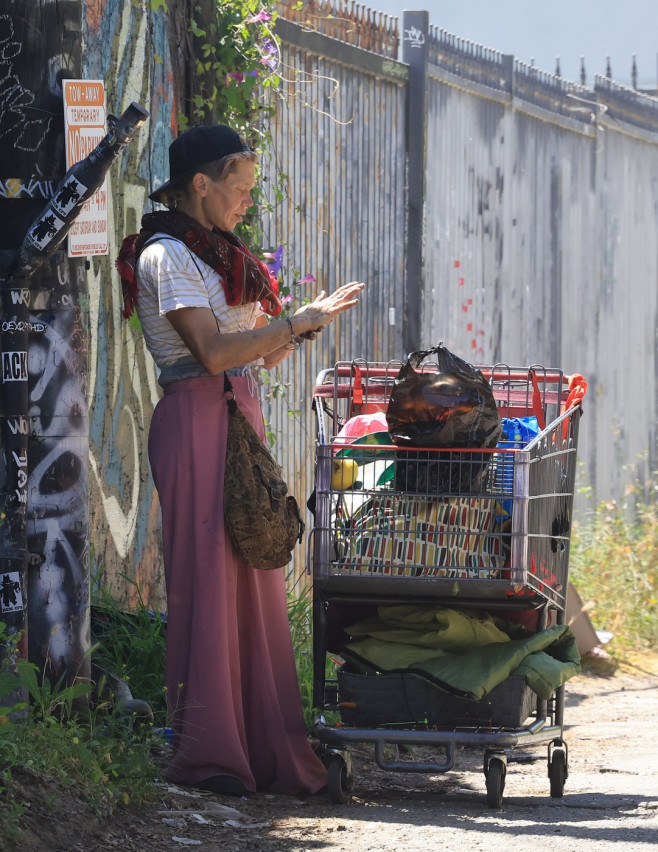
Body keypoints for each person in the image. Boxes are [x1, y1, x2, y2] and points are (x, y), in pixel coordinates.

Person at [117, 124, 364, 797]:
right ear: (201, 183)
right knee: (205, 585)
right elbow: (210, 353)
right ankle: (211, 756)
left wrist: (294, 331)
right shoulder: (167, 255)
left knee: (254, 581)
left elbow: (243, 348)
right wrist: (291, 323)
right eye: (241, 188)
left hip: (233, 417)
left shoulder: (214, 254)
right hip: (195, 420)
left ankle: (267, 751)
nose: (247, 203)